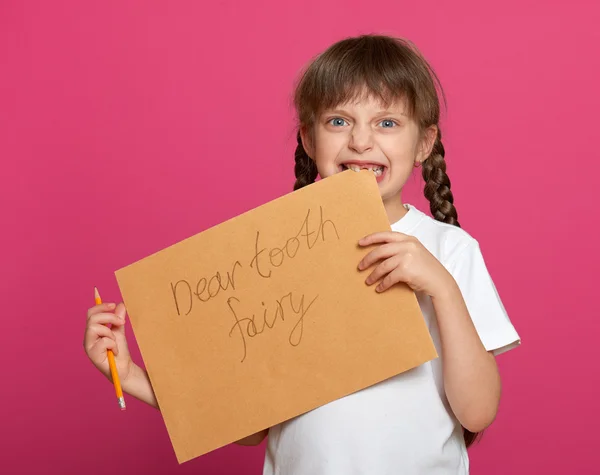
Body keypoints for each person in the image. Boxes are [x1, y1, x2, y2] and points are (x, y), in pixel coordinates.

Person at [84, 34, 520, 474]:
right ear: (309, 140)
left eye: (387, 122)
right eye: (338, 121)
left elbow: (477, 412)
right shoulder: (275, 257)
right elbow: (247, 424)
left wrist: (442, 288)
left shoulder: (451, 249)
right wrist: (133, 376)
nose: (361, 142)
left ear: (424, 143)